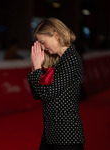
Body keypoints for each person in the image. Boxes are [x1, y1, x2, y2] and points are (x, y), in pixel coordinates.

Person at [28, 18, 85, 150]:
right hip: (51, 134)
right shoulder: (57, 61)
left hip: (66, 136)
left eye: (43, 42)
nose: (42, 47)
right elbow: (37, 94)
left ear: (55, 34)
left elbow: (47, 94)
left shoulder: (71, 58)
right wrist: (34, 68)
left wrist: (37, 68)